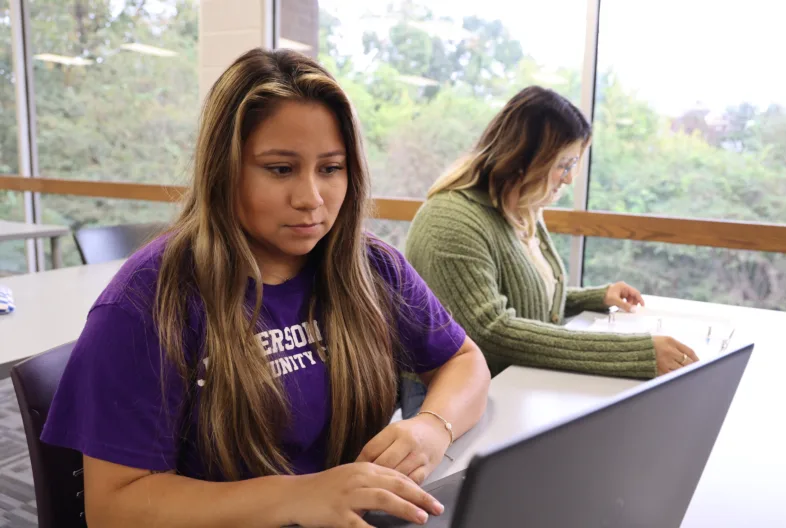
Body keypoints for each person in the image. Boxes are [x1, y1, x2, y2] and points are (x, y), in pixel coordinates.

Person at [40, 48, 490, 528]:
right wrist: (299, 496)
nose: (311, 199)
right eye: (280, 169)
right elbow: (115, 508)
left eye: (330, 168)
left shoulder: (371, 267)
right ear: (224, 169)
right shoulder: (148, 301)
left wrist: (430, 427)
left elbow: (464, 361)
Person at [401, 86, 696, 416]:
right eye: (564, 165)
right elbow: (492, 331)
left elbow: (524, 298)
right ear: (524, 158)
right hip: (446, 407)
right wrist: (634, 353)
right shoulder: (451, 220)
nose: (569, 179)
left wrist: (595, 297)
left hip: (508, 388)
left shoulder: (520, 208)